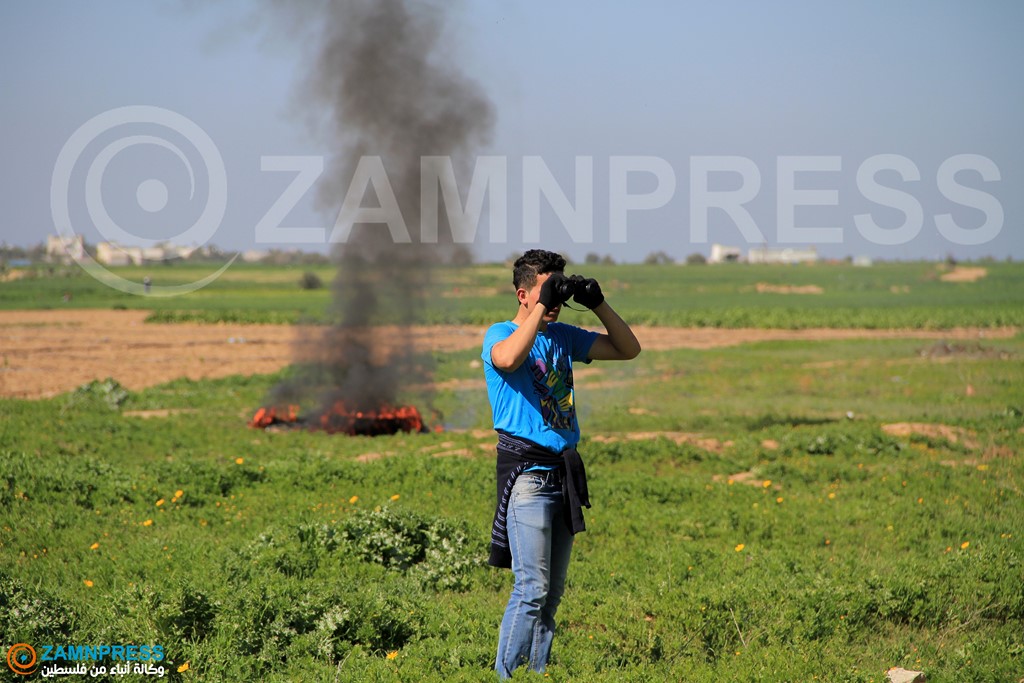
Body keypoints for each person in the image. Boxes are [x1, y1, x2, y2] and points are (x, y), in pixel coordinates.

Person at [482, 249, 641, 679]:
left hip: (563, 474)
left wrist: (597, 303)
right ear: (522, 294)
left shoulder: (564, 336)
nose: (554, 299)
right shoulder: (500, 333)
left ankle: (538, 673)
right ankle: (504, 676)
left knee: (551, 596)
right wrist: (540, 307)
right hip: (528, 478)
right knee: (530, 589)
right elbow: (508, 359)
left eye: (559, 290)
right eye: (545, 290)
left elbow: (629, 349)